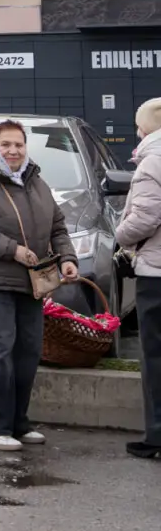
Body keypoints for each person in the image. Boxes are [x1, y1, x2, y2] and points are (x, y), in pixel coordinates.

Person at [0, 120, 78, 451]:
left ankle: (17, 423)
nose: (13, 150)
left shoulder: (36, 183)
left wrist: (67, 258)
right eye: (6, 144)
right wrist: (13, 250)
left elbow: (58, 226)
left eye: (19, 145)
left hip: (31, 284)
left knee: (27, 353)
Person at [117, 97, 161, 461]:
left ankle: (157, 435)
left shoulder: (151, 163)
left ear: (144, 128)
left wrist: (120, 235)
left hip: (156, 274)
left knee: (155, 356)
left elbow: (144, 219)